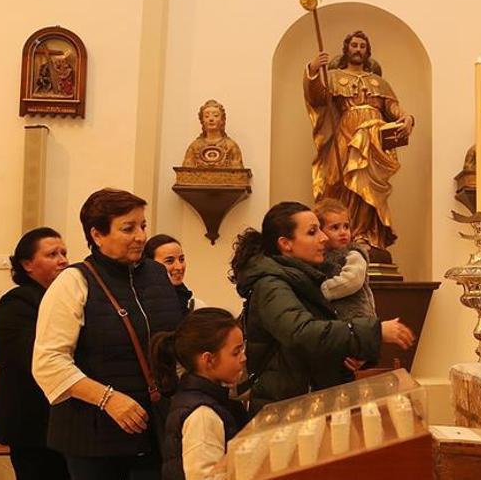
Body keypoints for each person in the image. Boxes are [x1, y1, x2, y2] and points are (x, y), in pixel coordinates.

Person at [33, 188, 186, 479]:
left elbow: (173, 343)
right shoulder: (74, 281)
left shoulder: (156, 275)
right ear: (97, 235)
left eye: (143, 225)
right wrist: (108, 399)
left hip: (155, 429)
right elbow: (49, 362)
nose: (140, 236)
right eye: (128, 228)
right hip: (94, 436)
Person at [229, 201, 415, 416]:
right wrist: (374, 332)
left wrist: (350, 354)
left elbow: (324, 335)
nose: (324, 238)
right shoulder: (271, 285)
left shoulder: (304, 278)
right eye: (312, 232)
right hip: (286, 411)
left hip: (306, 405)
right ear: (286, 244)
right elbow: (302, 333)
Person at [303, 30, 415, 252]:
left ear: (367, 51)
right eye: (354, 45)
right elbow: (316, 98)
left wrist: (407, 117)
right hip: (345, 133)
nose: (358, 49)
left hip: (374, 137)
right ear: (347, 49)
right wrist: (313, 69)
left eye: (362, 46)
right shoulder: (333, 76)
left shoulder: (379, 82)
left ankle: (364, 234)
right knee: (340, 183)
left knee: (367, 188)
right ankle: (340, 235)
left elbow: (391, 107)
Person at [0, 227, 70, 480]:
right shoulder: (16, 303)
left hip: (61, 422)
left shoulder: (63, 299)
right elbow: (29, 357)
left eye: (64, 253)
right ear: (27, 264)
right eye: (52, 254)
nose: (63, 260)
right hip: (32, 422)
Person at [151, 308, 248, 480]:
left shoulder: (205, 400)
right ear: (208, 359)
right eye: (236, 352)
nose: (243, 358)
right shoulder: (202, 415)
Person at [313, 198, 380, 381]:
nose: (343, 233)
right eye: (335, 228)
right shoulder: (319, 258)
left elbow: (352, 280)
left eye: (346, 226)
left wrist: (322, 292)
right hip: (338, 326)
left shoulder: (354, 254)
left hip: (357, 316)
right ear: (320, 232)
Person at [144, 234, 204, 312]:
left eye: (181, 259)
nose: (179, 267)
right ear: (150, 264)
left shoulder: (196, 306)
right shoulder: (139, 305)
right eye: (169, 261)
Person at [182, 99, 244, 168]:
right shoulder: (195, 146)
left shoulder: (231, 146)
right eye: (206, 116)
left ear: (222, 120)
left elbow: (238, 174)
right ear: (202, 121)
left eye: (216, 115)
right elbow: (186, 173)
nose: (211, 119)